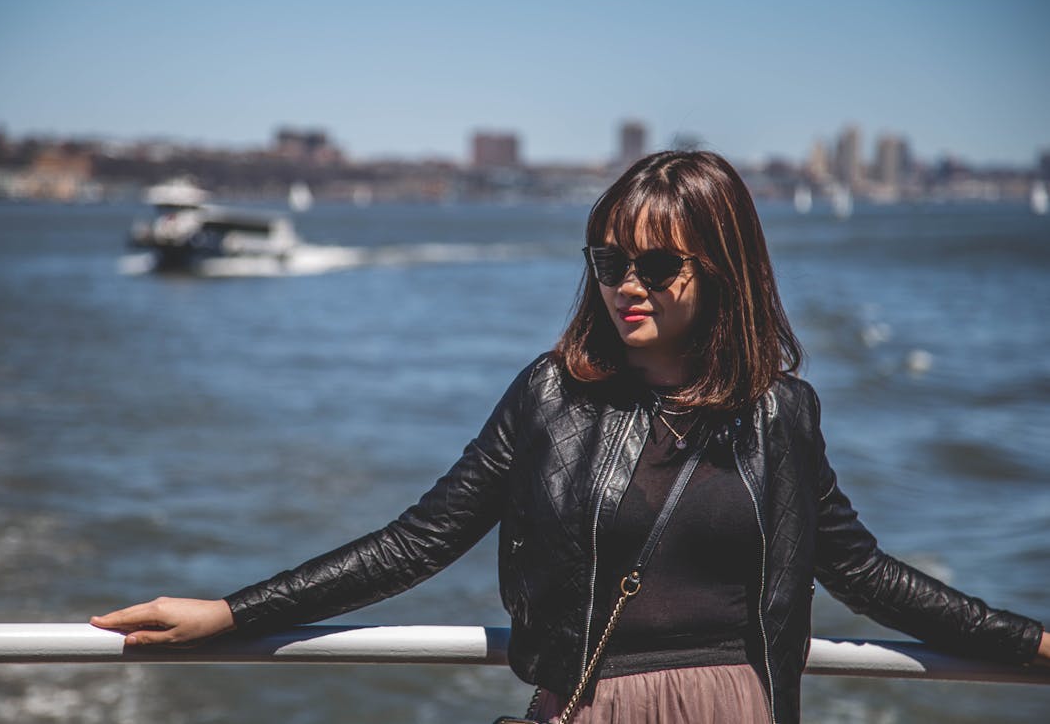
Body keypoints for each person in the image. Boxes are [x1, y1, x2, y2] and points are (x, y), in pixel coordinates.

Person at [92, 151, 1049, 724]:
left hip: (736, 710)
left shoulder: (779, 413)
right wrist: (232, 613)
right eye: (607, 259)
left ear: (718, 270)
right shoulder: (551, 398)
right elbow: (417, 542)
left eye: (655, 262)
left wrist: (1027, 643)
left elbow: (862, 572)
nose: (624, 282)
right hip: (589, 704)